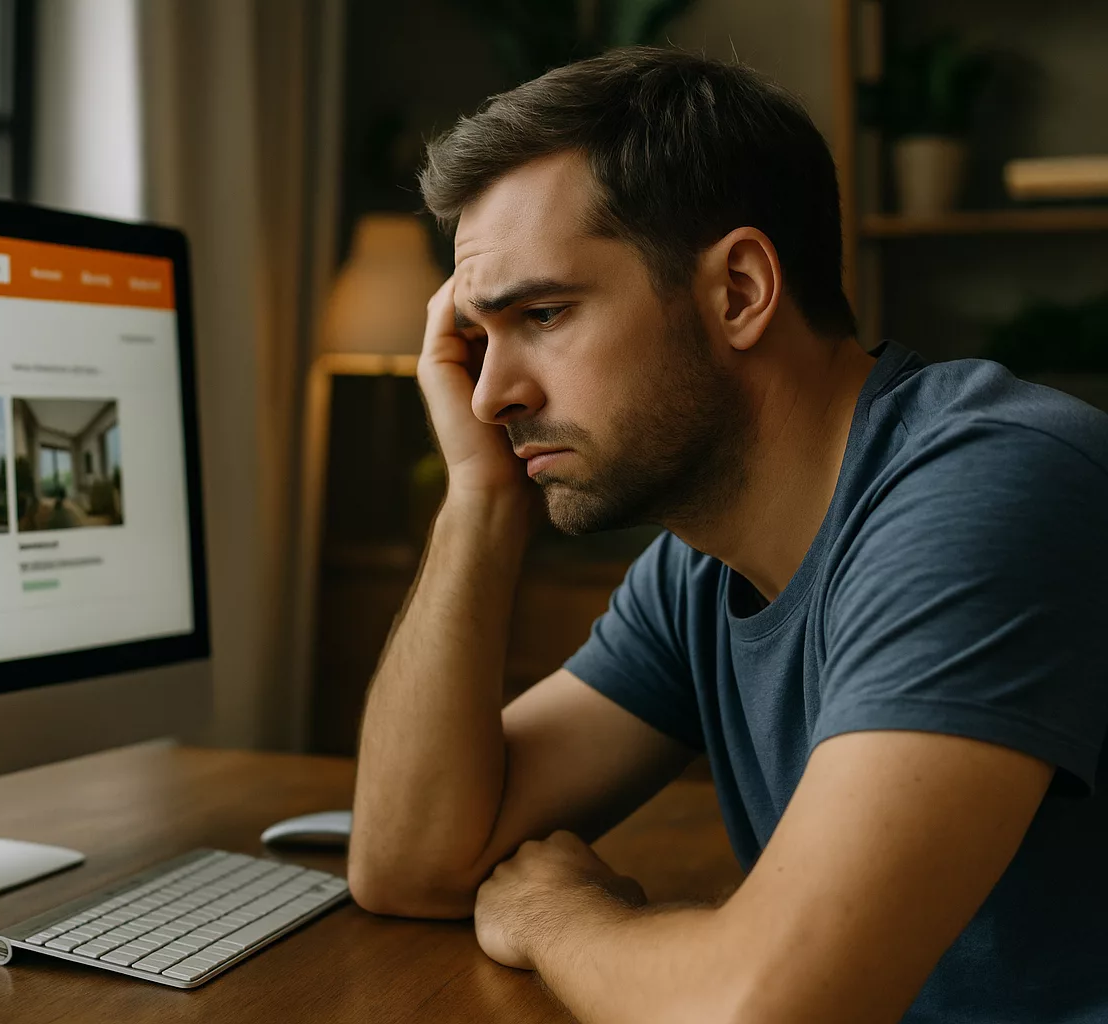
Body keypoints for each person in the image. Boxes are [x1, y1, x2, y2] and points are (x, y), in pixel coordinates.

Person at [347, 48, 1108, 1024]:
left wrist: (555, 913)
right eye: (479, 338)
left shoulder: (990, 486)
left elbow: (763, 1005)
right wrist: (479, 498)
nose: (491, 395)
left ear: (740, 290)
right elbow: (410, 863)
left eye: (543, 313)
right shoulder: (699, 569)